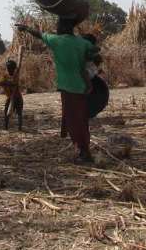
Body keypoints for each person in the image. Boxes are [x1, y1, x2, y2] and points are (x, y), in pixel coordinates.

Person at [16, 18, 98, 163]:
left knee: (73, 121)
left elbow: (39, 34)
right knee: (81, 120)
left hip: (68, 87)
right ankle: (84, 150)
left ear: (63, 28)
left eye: (58, 25)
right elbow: (95, 53)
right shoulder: (82, 42)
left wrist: (26, 28)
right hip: (83, 86)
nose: (57, 28)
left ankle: (83, 153)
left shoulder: (57, 40)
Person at [0, 58, 23, 130]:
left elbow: (16, 84)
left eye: (11, 69)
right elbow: (0, 83)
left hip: (17, 96)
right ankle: (6, 127)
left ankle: (20, 128)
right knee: (6, 112)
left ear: (14, 69)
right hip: (9, 97)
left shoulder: (16, 76)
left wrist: (10, 84)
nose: (10, 70)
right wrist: (10, 83)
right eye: (9, 69)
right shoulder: (5, 76)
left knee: (19, 113)